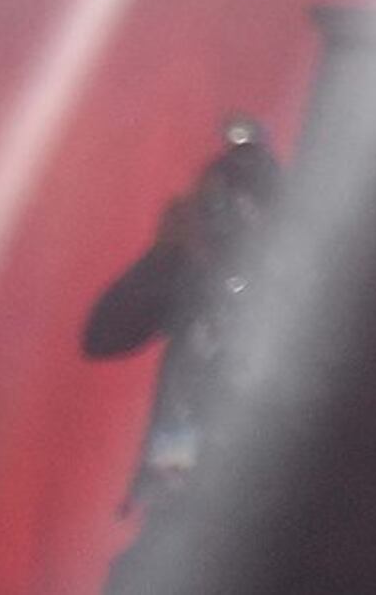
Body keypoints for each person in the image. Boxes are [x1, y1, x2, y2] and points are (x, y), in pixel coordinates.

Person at [83, 117, 279, 574]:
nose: (208, 215)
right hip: (175, 514)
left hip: (246, 525)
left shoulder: (284, 295)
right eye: (205, 202)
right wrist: (164, 253)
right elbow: (103, 337)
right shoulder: (190, 277)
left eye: (222, 205)